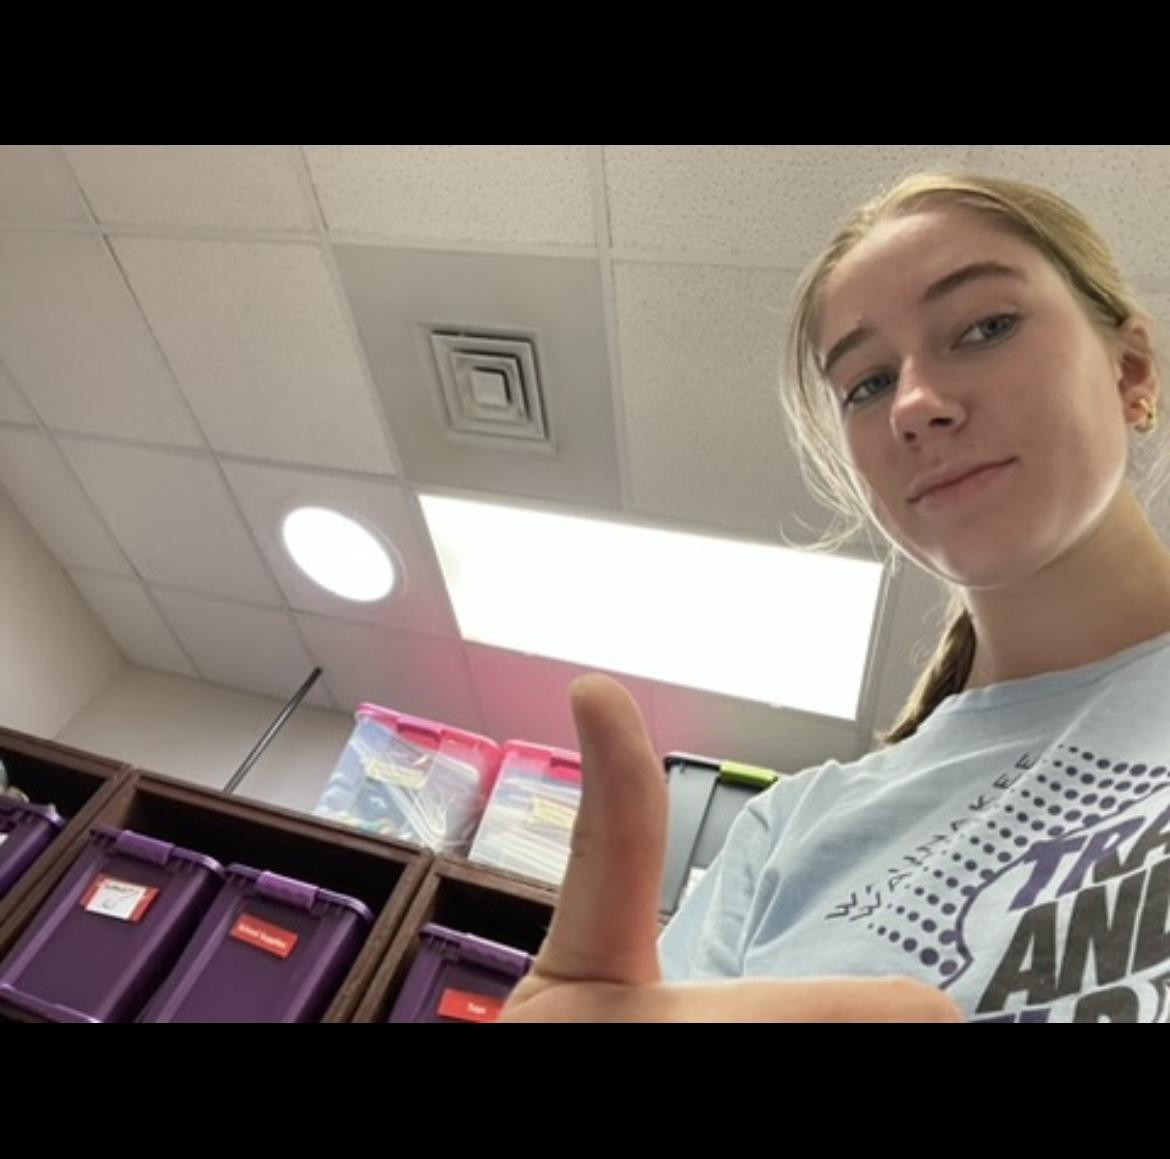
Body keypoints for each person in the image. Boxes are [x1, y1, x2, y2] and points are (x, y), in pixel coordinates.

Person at [501, 172, 1170, 1023]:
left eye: (986, 326)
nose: (914, 405)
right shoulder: (787, 832)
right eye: (868, 383)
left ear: (1131, 369)